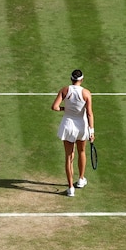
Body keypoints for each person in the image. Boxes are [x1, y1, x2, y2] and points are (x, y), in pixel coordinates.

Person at [51, 69, 95, 197]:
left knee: (69, 156)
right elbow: (89, 113)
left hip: (68, 126)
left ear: (71, 79)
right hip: (82, 126)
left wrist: (66, 109)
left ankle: (70, 188)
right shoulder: (86, 93)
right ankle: (81, 179)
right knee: (81, 151)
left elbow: (54, 107)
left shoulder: (65, 90)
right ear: (81, 79)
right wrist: (91, 131)